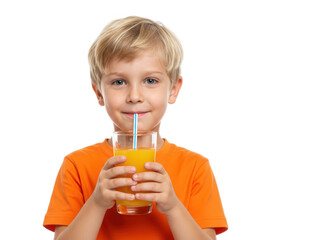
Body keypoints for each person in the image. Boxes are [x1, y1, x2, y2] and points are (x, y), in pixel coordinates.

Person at [43, 16, 228, 240]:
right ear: (99, 93)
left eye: (150, 81)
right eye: (119, 82)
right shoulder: (76, 166)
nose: (134, 96)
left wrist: (172, 206)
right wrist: (97, 203)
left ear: (173, 90)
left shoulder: (196, 168)